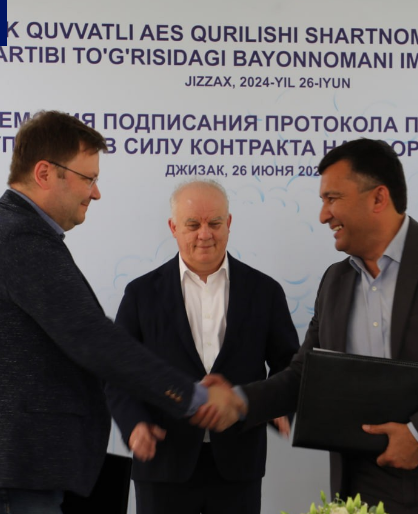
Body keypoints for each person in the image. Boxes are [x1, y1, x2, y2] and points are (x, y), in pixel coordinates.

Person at [0, 111, 243, 514]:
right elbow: (93, 339)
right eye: (88, 178)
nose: (96, 193)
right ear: (44, 173)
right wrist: (194, 396)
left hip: (14, 470)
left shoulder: (15, 230)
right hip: (4, 471)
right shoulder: (19, 238)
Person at [217, 138, 418, 514]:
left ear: (378, 198)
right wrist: (240, 401)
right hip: (367, 484)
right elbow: (305, 376)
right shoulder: (334, 282)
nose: (323, 215)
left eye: (332, 198)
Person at [105, 179, 300, 514]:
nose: (205, 234)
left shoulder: (265, 291)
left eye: (215, 223)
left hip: (239, 463)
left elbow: (289, 364)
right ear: (173, 227)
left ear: (229, 223)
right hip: (162, 460)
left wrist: (278, 405)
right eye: (193, 225)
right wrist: (134, 423)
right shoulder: (141, 295)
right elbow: (118, 373)